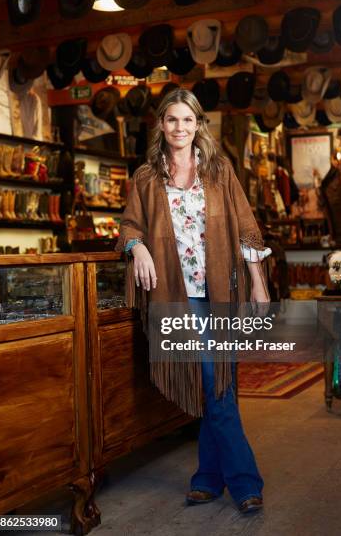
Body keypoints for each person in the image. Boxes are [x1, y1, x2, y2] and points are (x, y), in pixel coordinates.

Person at [115, 88, 272, 514]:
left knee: (219, 386)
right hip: (177, 298)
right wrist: (138, 248)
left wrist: (258, 284)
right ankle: (244, 483)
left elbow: (245, 229)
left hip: (223, 292)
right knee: (214, 384)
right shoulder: (146, 178)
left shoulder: (220, 172)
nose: (180, 128)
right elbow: (129, 227)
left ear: (198, 124)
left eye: (188, 120)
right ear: (161, 126)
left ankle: (209, 477)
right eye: (172, 120)